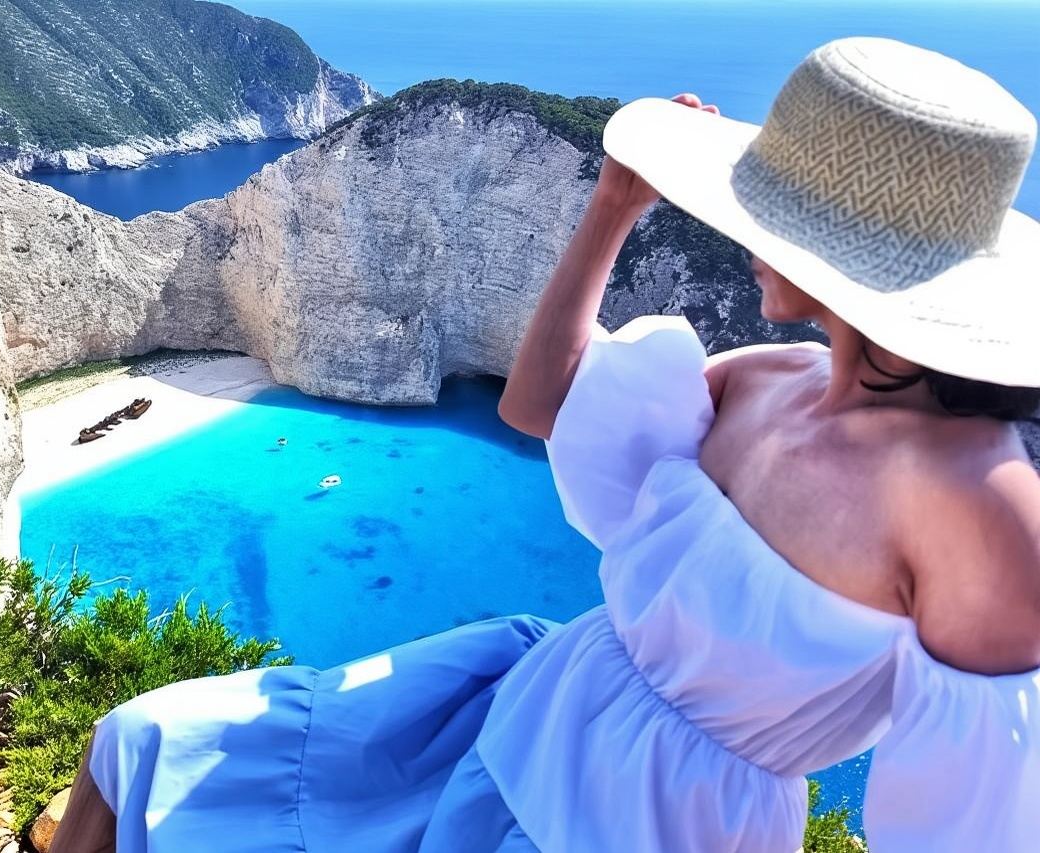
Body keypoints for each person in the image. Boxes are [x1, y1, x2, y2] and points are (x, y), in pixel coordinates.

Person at [54, 38, 1040, 852]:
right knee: (140, 743)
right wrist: (612, 207)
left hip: (665, 824)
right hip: (530, 708)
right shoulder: (767, 378)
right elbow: (537, 406)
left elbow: (974, 818)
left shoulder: (985, 507)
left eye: (768, 210)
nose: (744, 231)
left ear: (848, 259)